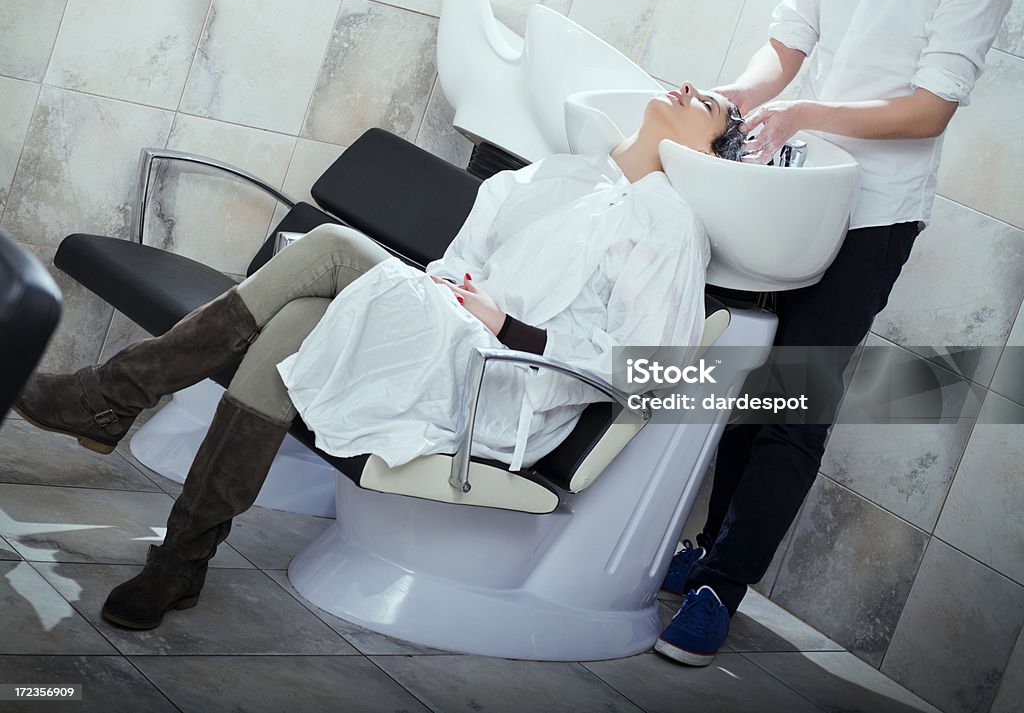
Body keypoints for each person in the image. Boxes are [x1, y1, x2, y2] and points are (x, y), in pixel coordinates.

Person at [15, 82, 744, 632]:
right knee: (292, 326)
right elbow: (467, 255)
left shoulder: (670, 226)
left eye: (708, 103)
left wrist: (513, 328)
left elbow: (650, 370)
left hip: (503, 384)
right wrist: (456, 290)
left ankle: (107, 398)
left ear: (712, 153)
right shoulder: (563, 173)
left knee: (327, 251)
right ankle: (180, 560)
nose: (686, 89)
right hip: (444, 327)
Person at [654, 0, 1012, 667]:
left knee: (796, 399)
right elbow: (783, 50)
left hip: (874, 216)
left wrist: (809, 113)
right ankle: (709, 548)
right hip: (791, 195)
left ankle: (718, 588)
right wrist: (729, 97)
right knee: (752, 377)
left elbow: (929, 111)